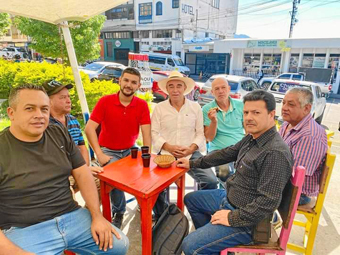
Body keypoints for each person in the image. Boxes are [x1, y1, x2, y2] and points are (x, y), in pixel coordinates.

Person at [0, 84, 128, 254]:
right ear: (11, 113)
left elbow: (82, 173)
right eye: (30, 108)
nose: (39, 115)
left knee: (119, 245)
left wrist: (97, 216)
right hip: (25, 228)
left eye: (44, 109)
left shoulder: (57, 132)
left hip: (71, 215)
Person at [177, 90, 293, 255]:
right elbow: (227, 153)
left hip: (248, 222)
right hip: (229, 198)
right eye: (246, 112)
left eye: (256, 112)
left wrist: (231, 218)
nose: (248, 117)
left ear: (271, 114)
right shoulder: (254, 137)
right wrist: (192, 163)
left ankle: (207, 244)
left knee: (189, 245)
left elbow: (268, 202)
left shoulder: (275, 152)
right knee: (192, 199)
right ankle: (214, 245)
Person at [85, 67, 151, 229]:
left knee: (143, 174)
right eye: (126, 80)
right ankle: (119, 211)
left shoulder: (141, 105)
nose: (129, 85)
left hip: (131, 149)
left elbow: (147, 134)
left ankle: (143, 205)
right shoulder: (105, 101)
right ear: (120, 81)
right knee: (114, 177)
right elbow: (89, 129)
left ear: (138, 85)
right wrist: (99, 154)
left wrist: (147, 155)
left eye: (133, 82)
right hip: (108, 150)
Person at [151, 71, 218, 219]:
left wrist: (191, 148)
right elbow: (154, 133)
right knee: (154, 187)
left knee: (211, 181)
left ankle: (201, 208)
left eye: (179, 86)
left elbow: (200, 134)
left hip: (191, 153)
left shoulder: (195, 107)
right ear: (167, 89)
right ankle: (163, 215)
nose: (175, 90)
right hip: (166, 155)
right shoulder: (159, 108)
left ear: (184, 88)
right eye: (171, 86)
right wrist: (168, 147)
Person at [42, 80, 102, 196]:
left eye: (68, 96)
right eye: (63, 97)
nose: (68, 101)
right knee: (67, 196)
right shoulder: (43, 124)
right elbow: (52, 159)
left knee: (103, 182)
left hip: (77, 168)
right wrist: (79, 170)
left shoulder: (73, 120)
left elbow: (82, 146)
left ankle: (90, 213)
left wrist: (84, 168)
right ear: (48, 101)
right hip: (58, 175)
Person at [279, 87, 328, 208]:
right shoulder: (287, 124)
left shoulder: (310, 136)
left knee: (246, 194)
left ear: (306, 108)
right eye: (283, 102)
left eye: (291, 104)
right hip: (281, 181)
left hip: (296, 193)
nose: (284, 107)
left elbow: (294, 176)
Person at [202, 77, 244, 179]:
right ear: (212, 92)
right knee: (224, 174)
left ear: (229, 89)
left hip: (240, 149)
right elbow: (209, 138)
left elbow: (249, 130)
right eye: (217, 89)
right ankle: (226, 194)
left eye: (223, 87)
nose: (220, 91)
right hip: (219, 151)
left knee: (248, 174)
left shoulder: (241, 105)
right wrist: (213, 121)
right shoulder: (207, 109)